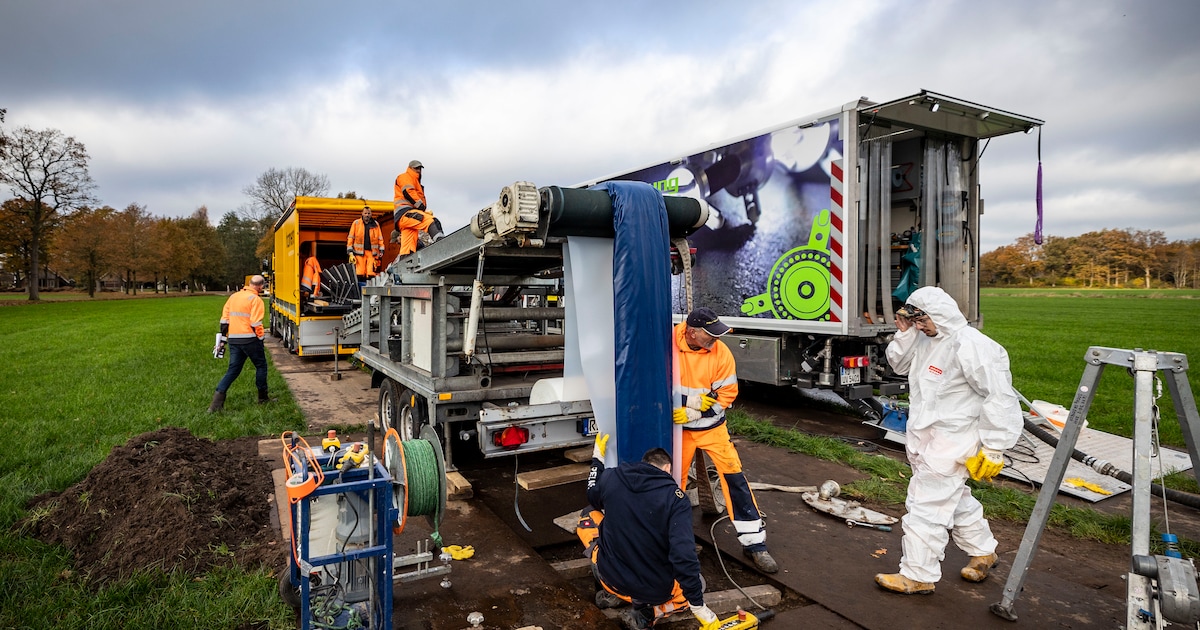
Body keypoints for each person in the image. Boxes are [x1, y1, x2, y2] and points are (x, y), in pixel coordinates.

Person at [874, 286, 1023, 594]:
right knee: (952, 498)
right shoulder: (926, 338)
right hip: (925, 436)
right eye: (915, 321)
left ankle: (918, 574)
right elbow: (898, 365)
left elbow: (999, 396)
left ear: (940, 315)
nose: (919, 326)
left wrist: (995, 446)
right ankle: (983, 551)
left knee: (925, 504)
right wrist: (904, 332)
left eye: (922, 320)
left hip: (955, 440)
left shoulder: (971, 345)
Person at [672, 307, 778, 574]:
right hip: (677, 431)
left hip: (712, 429)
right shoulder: (666, 346)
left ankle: (754, 543)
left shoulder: (721, 353)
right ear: (691, 333)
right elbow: (653, 387)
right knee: (672, 487)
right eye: (710, 335)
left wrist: (697, 412)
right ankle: (670, 542)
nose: (716, 340)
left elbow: (727, 395)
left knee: (735, 479)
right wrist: (686, 403)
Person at [578, 434, 719, 630]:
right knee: (698, 585)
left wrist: (597, 459)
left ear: (644, 464)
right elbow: (683, 556)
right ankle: (647, 613)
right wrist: (698, 605)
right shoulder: (676, 500)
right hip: (652, 591)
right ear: (667, 468)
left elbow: (592, 492)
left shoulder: (612, 478)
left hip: (609, 576)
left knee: (587, 516)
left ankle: (610, 594)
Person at [208, 275, 270, 412]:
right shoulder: (256, 300)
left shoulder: (233, 297)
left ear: (249, 283)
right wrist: (261, 337)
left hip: (234, 340)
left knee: (233, 370)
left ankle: (216, 404)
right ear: (261, 286)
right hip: (250, 340)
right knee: (261, 366)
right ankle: (263, 398)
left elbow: (224, 321)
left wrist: (223, 340)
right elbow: (256, 323)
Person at [392, 160, 434, 256]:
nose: (418, 170)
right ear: (410, 168)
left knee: (408, 248)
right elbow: (408, 191)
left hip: (405, 217)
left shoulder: (415, 182)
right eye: (416, 168)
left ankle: (405, 262)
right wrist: (420, 205)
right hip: (405, 212)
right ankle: (442, 243)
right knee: (432, 221)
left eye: (420, 168)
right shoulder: (405, 177)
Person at [347, 205, 384, 283]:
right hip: (359, 253)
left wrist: (381, 250)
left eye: (369, 213)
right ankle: (360, 288)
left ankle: (369, 288)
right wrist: (350, 252)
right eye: (365, 213)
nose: (367, 215)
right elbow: (350, 238)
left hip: (372, 253)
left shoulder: (376, 224)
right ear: (362, 213)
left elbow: (380, 238)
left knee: (371, 273)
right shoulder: (356, 223)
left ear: (371, 214)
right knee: (359, 273)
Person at [300, 241, 321, 312]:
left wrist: (313, 295)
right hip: (309, 290)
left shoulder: (309, 263)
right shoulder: (312, 262)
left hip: (308, 289)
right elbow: (316, 281)